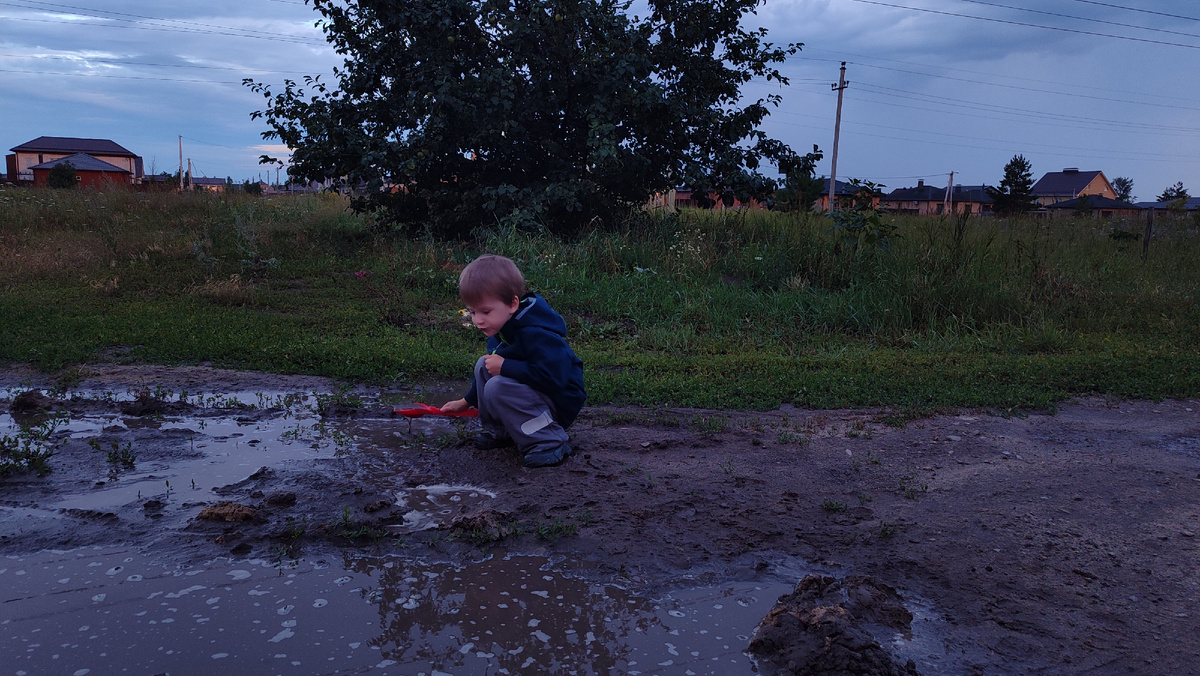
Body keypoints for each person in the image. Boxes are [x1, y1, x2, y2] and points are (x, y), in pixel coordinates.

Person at [441, 254, 586, 467]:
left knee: (498, 384)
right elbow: (493, 370)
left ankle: (549, 439)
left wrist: (506, 367)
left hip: (559, 400)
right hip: (533, 395)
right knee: (485, 364)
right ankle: (501, 431)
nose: (477, 320)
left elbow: (554, 378)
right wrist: (465, 402)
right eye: (472, 312)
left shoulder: (536, 334)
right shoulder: (502, 329)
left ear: (512, 304)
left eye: (485, 311)